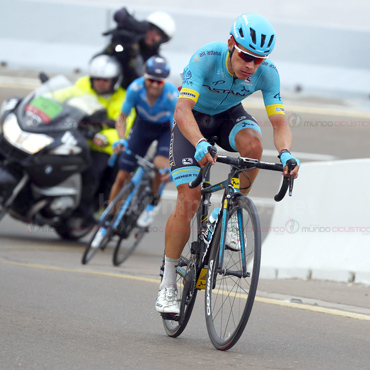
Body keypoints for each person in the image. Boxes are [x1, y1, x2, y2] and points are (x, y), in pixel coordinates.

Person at [155, 13, 300, 314]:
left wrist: (285, 152)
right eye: (246, 56)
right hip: (192, 123)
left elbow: (279, 122)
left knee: (253, 145)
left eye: (258, 60)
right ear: (232, 44)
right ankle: (168, 283)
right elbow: (182, 110)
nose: (250, 66)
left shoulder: (267, 72)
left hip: (227, 119)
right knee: (189, 201)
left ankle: (232, 211)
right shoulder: (207, 57)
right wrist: (198, 143)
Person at [91, 56, 179, 246]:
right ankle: (108, 221)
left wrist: (173, 158)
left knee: (159, 164)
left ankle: (152, 203)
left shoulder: (171, 94)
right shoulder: (135, 88)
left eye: (159, 82)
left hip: (165, 129)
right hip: (142, 127)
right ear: (144, 77)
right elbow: (122, 117)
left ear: (164, 81)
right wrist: (121, 138)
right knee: (122, 175)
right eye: (151, 80)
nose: (155, 85)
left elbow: (176, 128)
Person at [52, 54, 136, 226]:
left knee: (91, 172)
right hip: (73, 137)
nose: (100, 83)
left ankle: (83, 212)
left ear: (115, 80)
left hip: (101, 147)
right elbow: (58, 97)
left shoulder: (123, 98)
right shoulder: (82, 85)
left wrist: (105, 138)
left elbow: (122, 128)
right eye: (96, 79)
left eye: (105, 80)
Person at [100, 8, 176, 89]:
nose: (151, 34)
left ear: (164, 39)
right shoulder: (129, 40)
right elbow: (99, 61)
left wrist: (135, 56)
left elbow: (143, 82)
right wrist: (113, 46)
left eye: (158, 33)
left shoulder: (157, 61)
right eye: (151, 29)